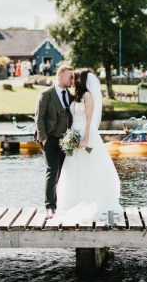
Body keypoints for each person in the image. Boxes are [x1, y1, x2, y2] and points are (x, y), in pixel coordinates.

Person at [51, 68, 122, 224]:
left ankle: (90, 200)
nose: (72, 79)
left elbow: (89, 120)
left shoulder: (88, 96)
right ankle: (72, 203)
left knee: (88, 168)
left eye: (75, 77)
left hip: (85, 134)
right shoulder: (76, 97)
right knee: (73, 169)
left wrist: (85, 139)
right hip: (73, 133)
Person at [35, 65, 74, 219]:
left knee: (65, 172)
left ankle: (63, 204)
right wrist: (44, 139)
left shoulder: (71, 95)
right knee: (52, 172)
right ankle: (50, 207)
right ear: (61, 76)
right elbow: (39, 118)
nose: (72, 80)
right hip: (50, 139)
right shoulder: (46, 94)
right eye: (70, 76)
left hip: (67, 141)